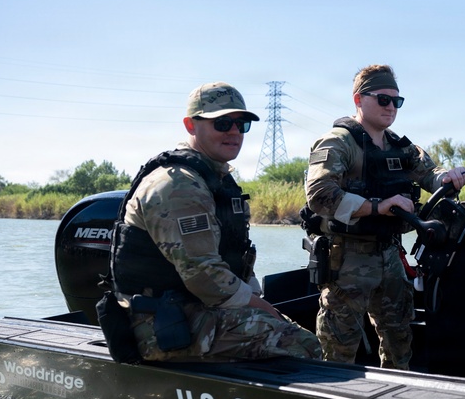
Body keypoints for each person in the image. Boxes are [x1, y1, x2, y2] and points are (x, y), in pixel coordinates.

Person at [106, 82, 322, 362]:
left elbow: (234, 258)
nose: (234, 132)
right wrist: (265, 310)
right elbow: (203, 274)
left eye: (241, 124)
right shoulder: (178, 185)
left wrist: (260, 304)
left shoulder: (214, 180)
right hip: (160, 326)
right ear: (191, 125)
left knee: (287, 327)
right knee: (302, 344)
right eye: (222, 123)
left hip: (196, 309)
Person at [304, 64, 465, 369]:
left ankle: (398, 388)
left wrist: (447, 177)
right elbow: (319, 194)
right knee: (339, 348)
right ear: (359, 100)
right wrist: (377, 206)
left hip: (390, 255)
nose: (391, 107)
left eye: (397, 101)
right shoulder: (338, 142)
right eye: (383, 99)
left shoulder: (399, 146)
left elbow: (429, 173)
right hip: (348, 260)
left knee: (399, 341)